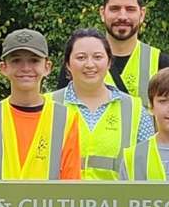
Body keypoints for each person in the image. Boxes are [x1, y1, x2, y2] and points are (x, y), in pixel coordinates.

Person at [0, 30, 82, 181]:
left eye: (34, 60)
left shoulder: (65, 119)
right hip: (0, 205)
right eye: (16, 60)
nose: (26, 68)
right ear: (3, 67)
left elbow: (72, 187)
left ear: (47, 67)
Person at [50, 29, 153, 180]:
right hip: (63, 201)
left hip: (117, 201)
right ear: (68, 64)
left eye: (98, 57)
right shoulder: (48, 105)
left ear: (109, 62)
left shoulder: (134, 109)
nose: (89, 64)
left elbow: (147, 164)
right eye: (81, 57)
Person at [59, 0, 168, 95]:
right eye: (115, 9)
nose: (122, 16)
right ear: (102, 13)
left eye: (130, 9)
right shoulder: (77, 64)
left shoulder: (160, 63)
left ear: (142, 14)